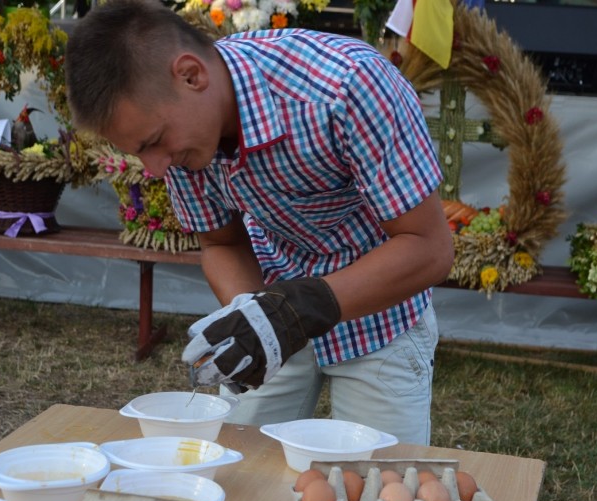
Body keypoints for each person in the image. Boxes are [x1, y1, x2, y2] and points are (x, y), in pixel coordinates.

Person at [65, 0, 454, 445]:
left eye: (154, 142)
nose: (154, 168)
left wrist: (297, 309)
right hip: (274, 291)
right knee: (237, 469)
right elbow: (221, 244)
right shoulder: (180, 142)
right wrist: (254, 318)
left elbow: (429, 248)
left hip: (382, 313)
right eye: (140, 152)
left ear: (192, 75)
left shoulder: (348, 86)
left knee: (378, 490)